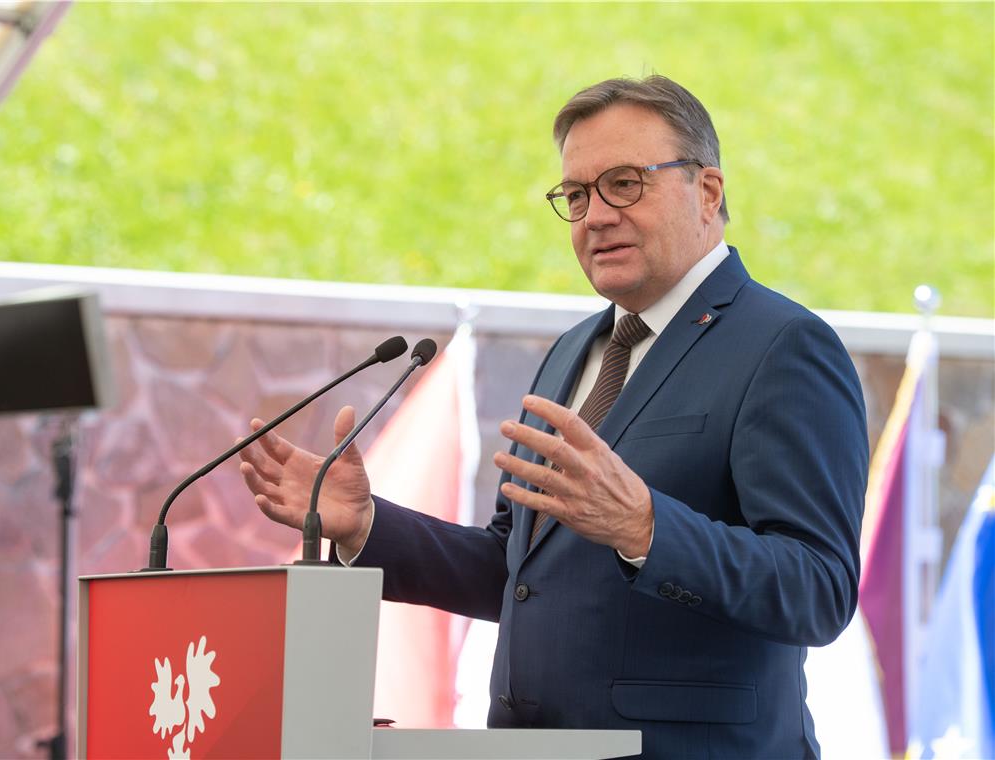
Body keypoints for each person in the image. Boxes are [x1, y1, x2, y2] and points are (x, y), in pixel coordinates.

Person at [238, 75, 868, 758]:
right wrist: (368, 526)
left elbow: (818, 588)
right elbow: (517, 571)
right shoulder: (574, 350)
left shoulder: (783, 346)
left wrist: (646, 527)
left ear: (707, 192)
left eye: (624, 184)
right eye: (577, 195)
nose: (595, 216)